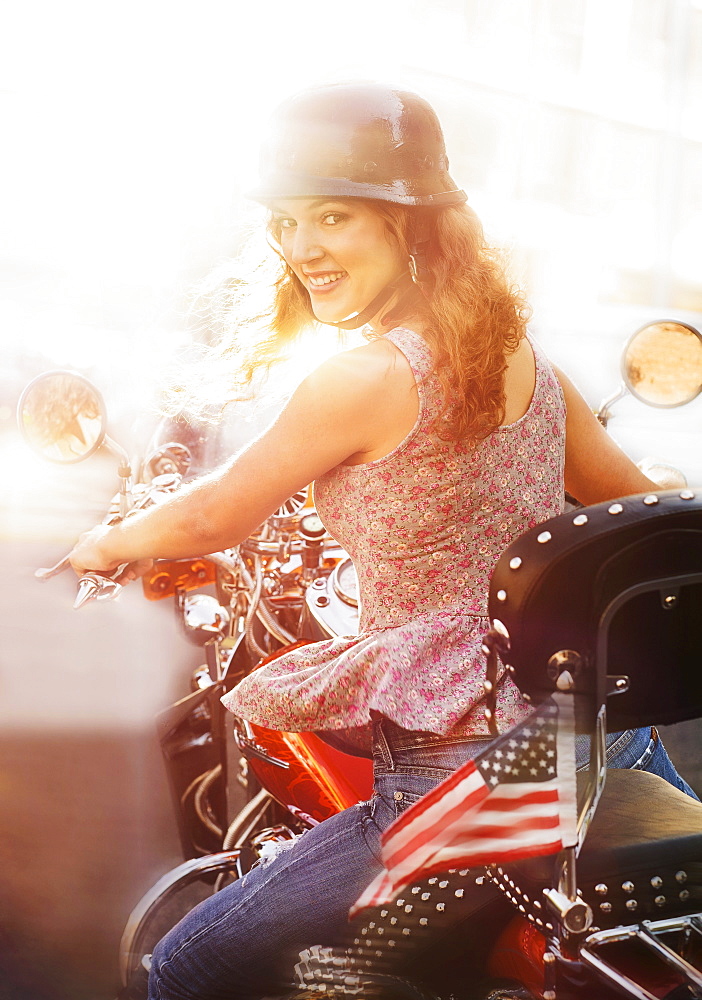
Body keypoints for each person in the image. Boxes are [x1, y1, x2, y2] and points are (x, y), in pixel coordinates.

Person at [68, 83, 696, 999]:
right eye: (285, 222)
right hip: (601, 744)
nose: (300, 247)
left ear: (416, 226)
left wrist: (107, 542)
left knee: (184, 968)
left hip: (464, 779)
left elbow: (216, 515)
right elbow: (631, 503)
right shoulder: (522, 357)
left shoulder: (366, 375)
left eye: (334, 217)